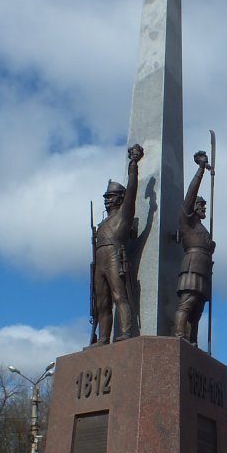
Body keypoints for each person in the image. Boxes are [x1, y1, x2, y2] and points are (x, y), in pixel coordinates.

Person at [92, 144, 144, 344]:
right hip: (99, 260)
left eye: (111, 197)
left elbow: (132, 188)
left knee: (119, 296)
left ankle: (126, 332)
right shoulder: (102, 223)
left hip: (114, 255)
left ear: (121, 198)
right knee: (101, 303)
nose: (107, 200)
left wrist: (133, 164)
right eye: (106, 197)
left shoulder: (124, 214)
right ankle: (103, 339)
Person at [173, 150, 214, 344]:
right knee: (187, 304)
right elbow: (190, 195)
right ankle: (180, 336)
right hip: (192, 267)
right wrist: (201, 170)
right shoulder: (187, 222)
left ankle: (192, 341)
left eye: (205, 205)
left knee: (197, 310)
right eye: (200, 204)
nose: (203, 207)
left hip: (204, 269)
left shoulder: (202, 228)